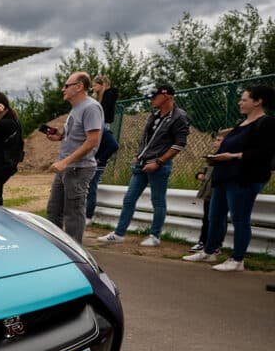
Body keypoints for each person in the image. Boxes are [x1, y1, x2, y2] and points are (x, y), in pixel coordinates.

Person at [183, 85, 275, 272]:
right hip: (224, 176)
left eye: (244, 99)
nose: (240, 102)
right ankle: (209, 251)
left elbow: (263, 153)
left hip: (244, 178)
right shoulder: (240, 124)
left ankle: (237, 259)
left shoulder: (267, 123)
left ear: (258, 101)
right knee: (215, 216)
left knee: (240, 217)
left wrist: (233, 156)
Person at [98, 84, 189, 246]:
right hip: (142, 163)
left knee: (158, 201)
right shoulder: (154, 115)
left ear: (167, 95)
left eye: (155, 96)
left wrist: (159, 162)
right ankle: (119, 234)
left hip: (159, 166)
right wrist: (138, 155)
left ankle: (155, 236)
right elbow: (146, 138)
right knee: (129, 199)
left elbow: (179, 144)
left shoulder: (179, 116)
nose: (151, 99)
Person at [45, 72, 103, 242]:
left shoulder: (90, 107)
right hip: (67, 167)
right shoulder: (76, 109)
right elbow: (77, 135)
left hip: (78, 168)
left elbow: (92, 140)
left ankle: (74, 251)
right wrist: (60, 135)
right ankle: (55, 247)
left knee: (73, 213)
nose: (63, 89)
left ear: (79, 86)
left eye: (66, 85)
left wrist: (65, 162)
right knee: (54, 210)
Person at [188, 129, 230, 252]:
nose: (215, 143)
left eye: (219, 140)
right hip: (208, 193)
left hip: (220, 191)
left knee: (219, 219)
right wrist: (199, 175)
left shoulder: (228, 157)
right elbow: (203, 171)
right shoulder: (212, 156)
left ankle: (217, 245)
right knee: (206, 217)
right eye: (215, 140)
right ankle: (202, 241)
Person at [86, 75, 120, 224]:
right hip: (99, 126)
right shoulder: (97, 100)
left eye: (94, 85)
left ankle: (88, 215)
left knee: (91, 185)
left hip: (103, 126)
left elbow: (114, 145)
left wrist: (101, 158)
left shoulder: (109, 94)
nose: (92, 88)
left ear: (102, 85)